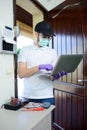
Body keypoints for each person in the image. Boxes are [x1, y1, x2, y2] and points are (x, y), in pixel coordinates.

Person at [17, 21, 66, 104]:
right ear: (36, 34)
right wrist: (39, 67)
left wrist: (56, 76)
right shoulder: (25, 50)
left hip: (47, 96)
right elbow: (21, 74)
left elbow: (51, 77)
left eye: (49, 37)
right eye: (44, 36)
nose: (46, 39)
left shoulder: (52, 52)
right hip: (28, 96)